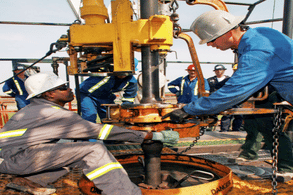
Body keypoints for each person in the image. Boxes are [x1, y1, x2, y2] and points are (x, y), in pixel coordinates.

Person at [0, 72, 179, 195]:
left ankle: (32, 182)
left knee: (70, 151)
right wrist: (150, 136)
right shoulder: (54, 114)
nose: (69, 89)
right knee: (94, 150)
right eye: (63, 87)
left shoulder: (35, 109)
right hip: (15, 159)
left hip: (11, 157)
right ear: (49, 94)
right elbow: (101, 131)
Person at [164, 10, 293, 179]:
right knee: (262, 122)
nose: (210, 45)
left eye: (211, 40)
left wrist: (190, 109)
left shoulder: (257, 50)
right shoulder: (262, 34)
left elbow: (235, 90)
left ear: (228, 33)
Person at [208, 64, 243, 132]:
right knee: (212, 114)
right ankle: (213, 127)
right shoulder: (210, 80)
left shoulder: (229, 79)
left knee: (233, 113)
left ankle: (235, 129)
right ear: (214, 71)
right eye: (217, 70)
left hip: (228, 99)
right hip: (214, 100)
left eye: (220, 70)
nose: (219, 71)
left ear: (224, 71)